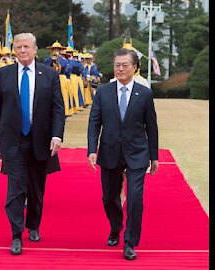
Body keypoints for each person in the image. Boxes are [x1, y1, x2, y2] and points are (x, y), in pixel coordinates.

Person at [0, 33, 65, 255]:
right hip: (13, 141)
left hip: (40, 140)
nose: (22, 51)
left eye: (26, 47)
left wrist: (57, 136)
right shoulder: (3, 74)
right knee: (15, 188)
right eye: (18, 47)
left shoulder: (49, 75)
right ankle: (16, 234)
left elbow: (57, 109)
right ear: (14, 50)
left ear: (35, 49)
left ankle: (33, 225)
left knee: (36, 188)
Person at [87, 48, 159, 260]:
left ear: (135, 67)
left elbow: (151, 127)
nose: (120, 69)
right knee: (109, 197)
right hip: (109, 151)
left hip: (137, 152)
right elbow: (94, 123)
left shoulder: (144, 94)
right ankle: (115, 227)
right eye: (117, 65)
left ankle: (130, 242)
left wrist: (154, 157)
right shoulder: (103, 92)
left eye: (125, 65)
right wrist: (92, 149)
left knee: (135, 197)